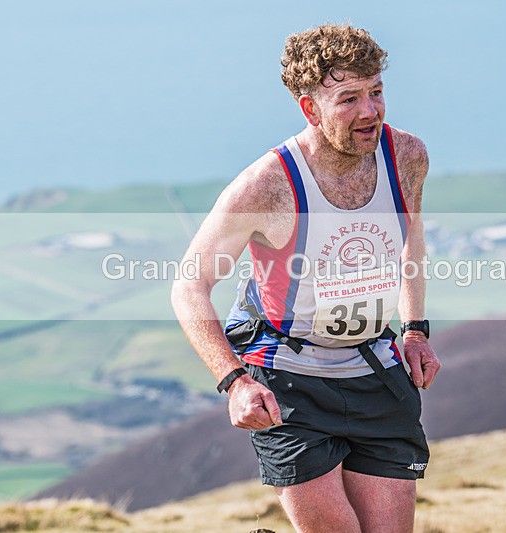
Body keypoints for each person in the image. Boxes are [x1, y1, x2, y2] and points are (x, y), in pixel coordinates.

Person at [172, 23, 440, 533]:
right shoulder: (265, 186)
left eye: (377, 92)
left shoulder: (406, 156)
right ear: (309, 108)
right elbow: (189, 285)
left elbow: (411, 240)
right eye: (349, 98)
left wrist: (414, 330)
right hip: (288, 378)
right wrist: (232, 382)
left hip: (373, 368)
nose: (371, 111)